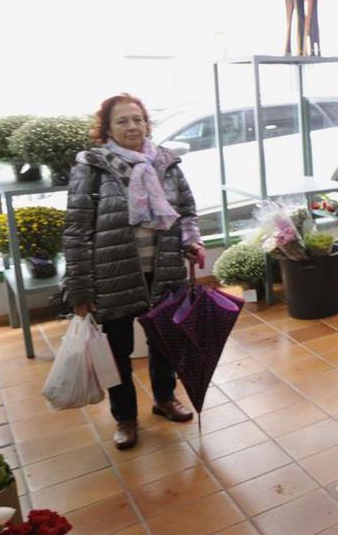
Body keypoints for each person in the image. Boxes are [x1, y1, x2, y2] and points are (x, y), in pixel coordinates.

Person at [63, 94, 206, 450]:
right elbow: (77, 229)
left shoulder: (166, 164)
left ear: (147, 123)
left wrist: (191, 240)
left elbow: (186, 210)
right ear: (107, 129)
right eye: (123, 121)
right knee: (117, 352)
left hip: (164, 271)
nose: (132, 127)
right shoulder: (92, 168)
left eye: (138, 119)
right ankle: (125, 417)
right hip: (114, 275)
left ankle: (164, 398)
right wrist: (79, 289)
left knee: (164, 343)